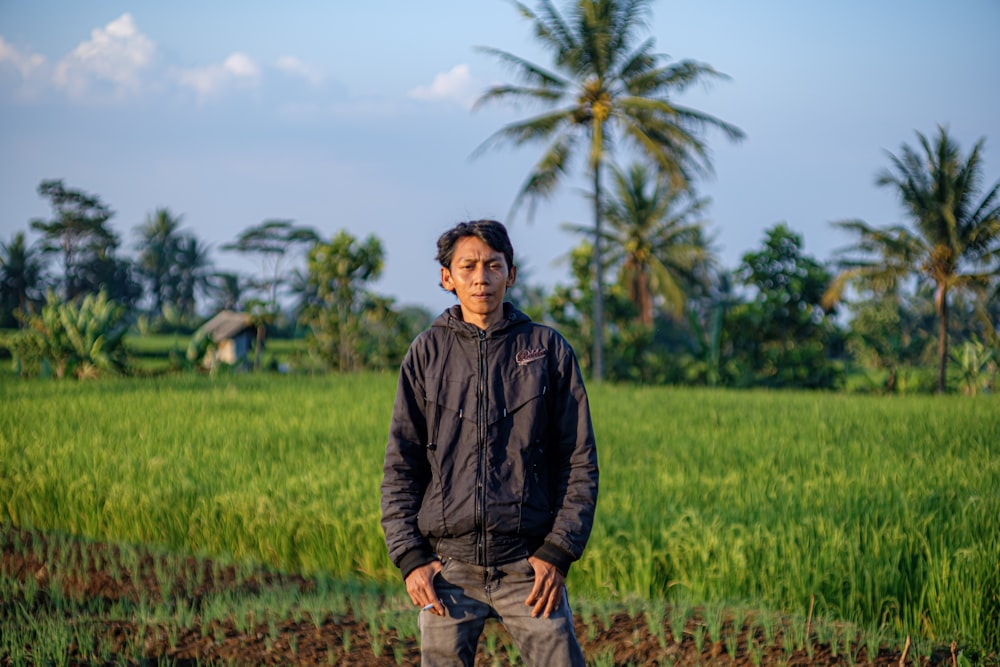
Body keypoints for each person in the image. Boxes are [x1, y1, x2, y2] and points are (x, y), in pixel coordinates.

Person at [380, 219, 599, 666]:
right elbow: (401, 466)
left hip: (528, 566)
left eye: (493, 265)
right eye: (468, 267)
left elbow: (579, 462)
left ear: (510, 274)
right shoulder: (426, 353)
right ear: (448, 277)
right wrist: (410, 557)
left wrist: (557, 553)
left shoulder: (547, 350)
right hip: (448, 570)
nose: (481, 278)